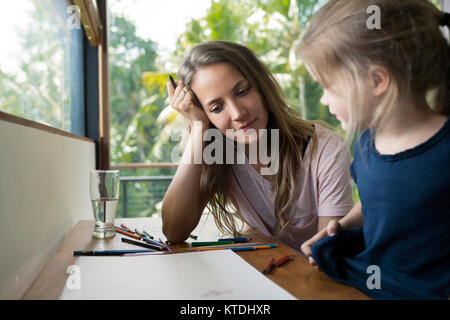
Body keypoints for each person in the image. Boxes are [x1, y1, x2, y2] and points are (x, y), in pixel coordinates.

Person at [298, 0, 450, 299]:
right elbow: (374, 203)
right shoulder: (366, 145)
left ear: (377, 80)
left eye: (329, 87)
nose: (325, 100)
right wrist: (340, 226)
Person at [161, 40, 354, 253]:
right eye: (216, 108)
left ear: (262, 86)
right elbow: (173, 231)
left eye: (242, 91)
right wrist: (197, 127)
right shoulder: (221, 152)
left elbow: (328, 253)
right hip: (268, 273)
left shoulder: (326, 150)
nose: (238, 113)